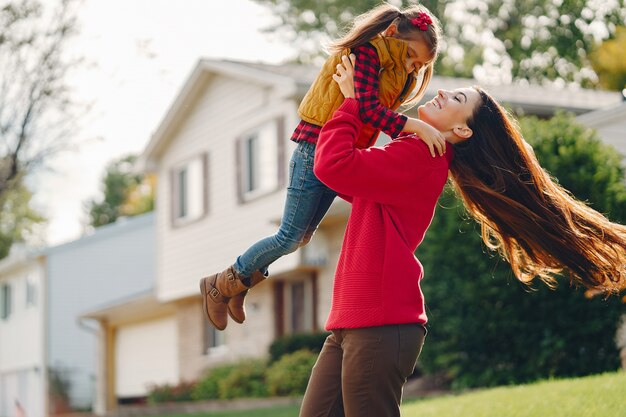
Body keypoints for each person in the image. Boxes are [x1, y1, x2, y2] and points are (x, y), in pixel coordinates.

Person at [298, 55, 626, 417]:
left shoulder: (423, 152)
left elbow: (333, 165)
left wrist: (352, 104)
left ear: (463, 131)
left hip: (380, 324)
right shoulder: (417, 151)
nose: (443, 92)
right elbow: (354, 181)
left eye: (457, 99)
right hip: (354, 321)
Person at [200, 3, 447, 330]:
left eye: (420, 63)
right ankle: (220, 284)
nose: (414, 66)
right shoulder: (366, 53)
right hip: (317, 148)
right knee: (290, 237)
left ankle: (240, 280)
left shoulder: (396, 68)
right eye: (412, 55)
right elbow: (369, 111)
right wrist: (415, 127)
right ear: (391, 34)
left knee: (304, 238)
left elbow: (373, 113)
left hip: (345, 152)